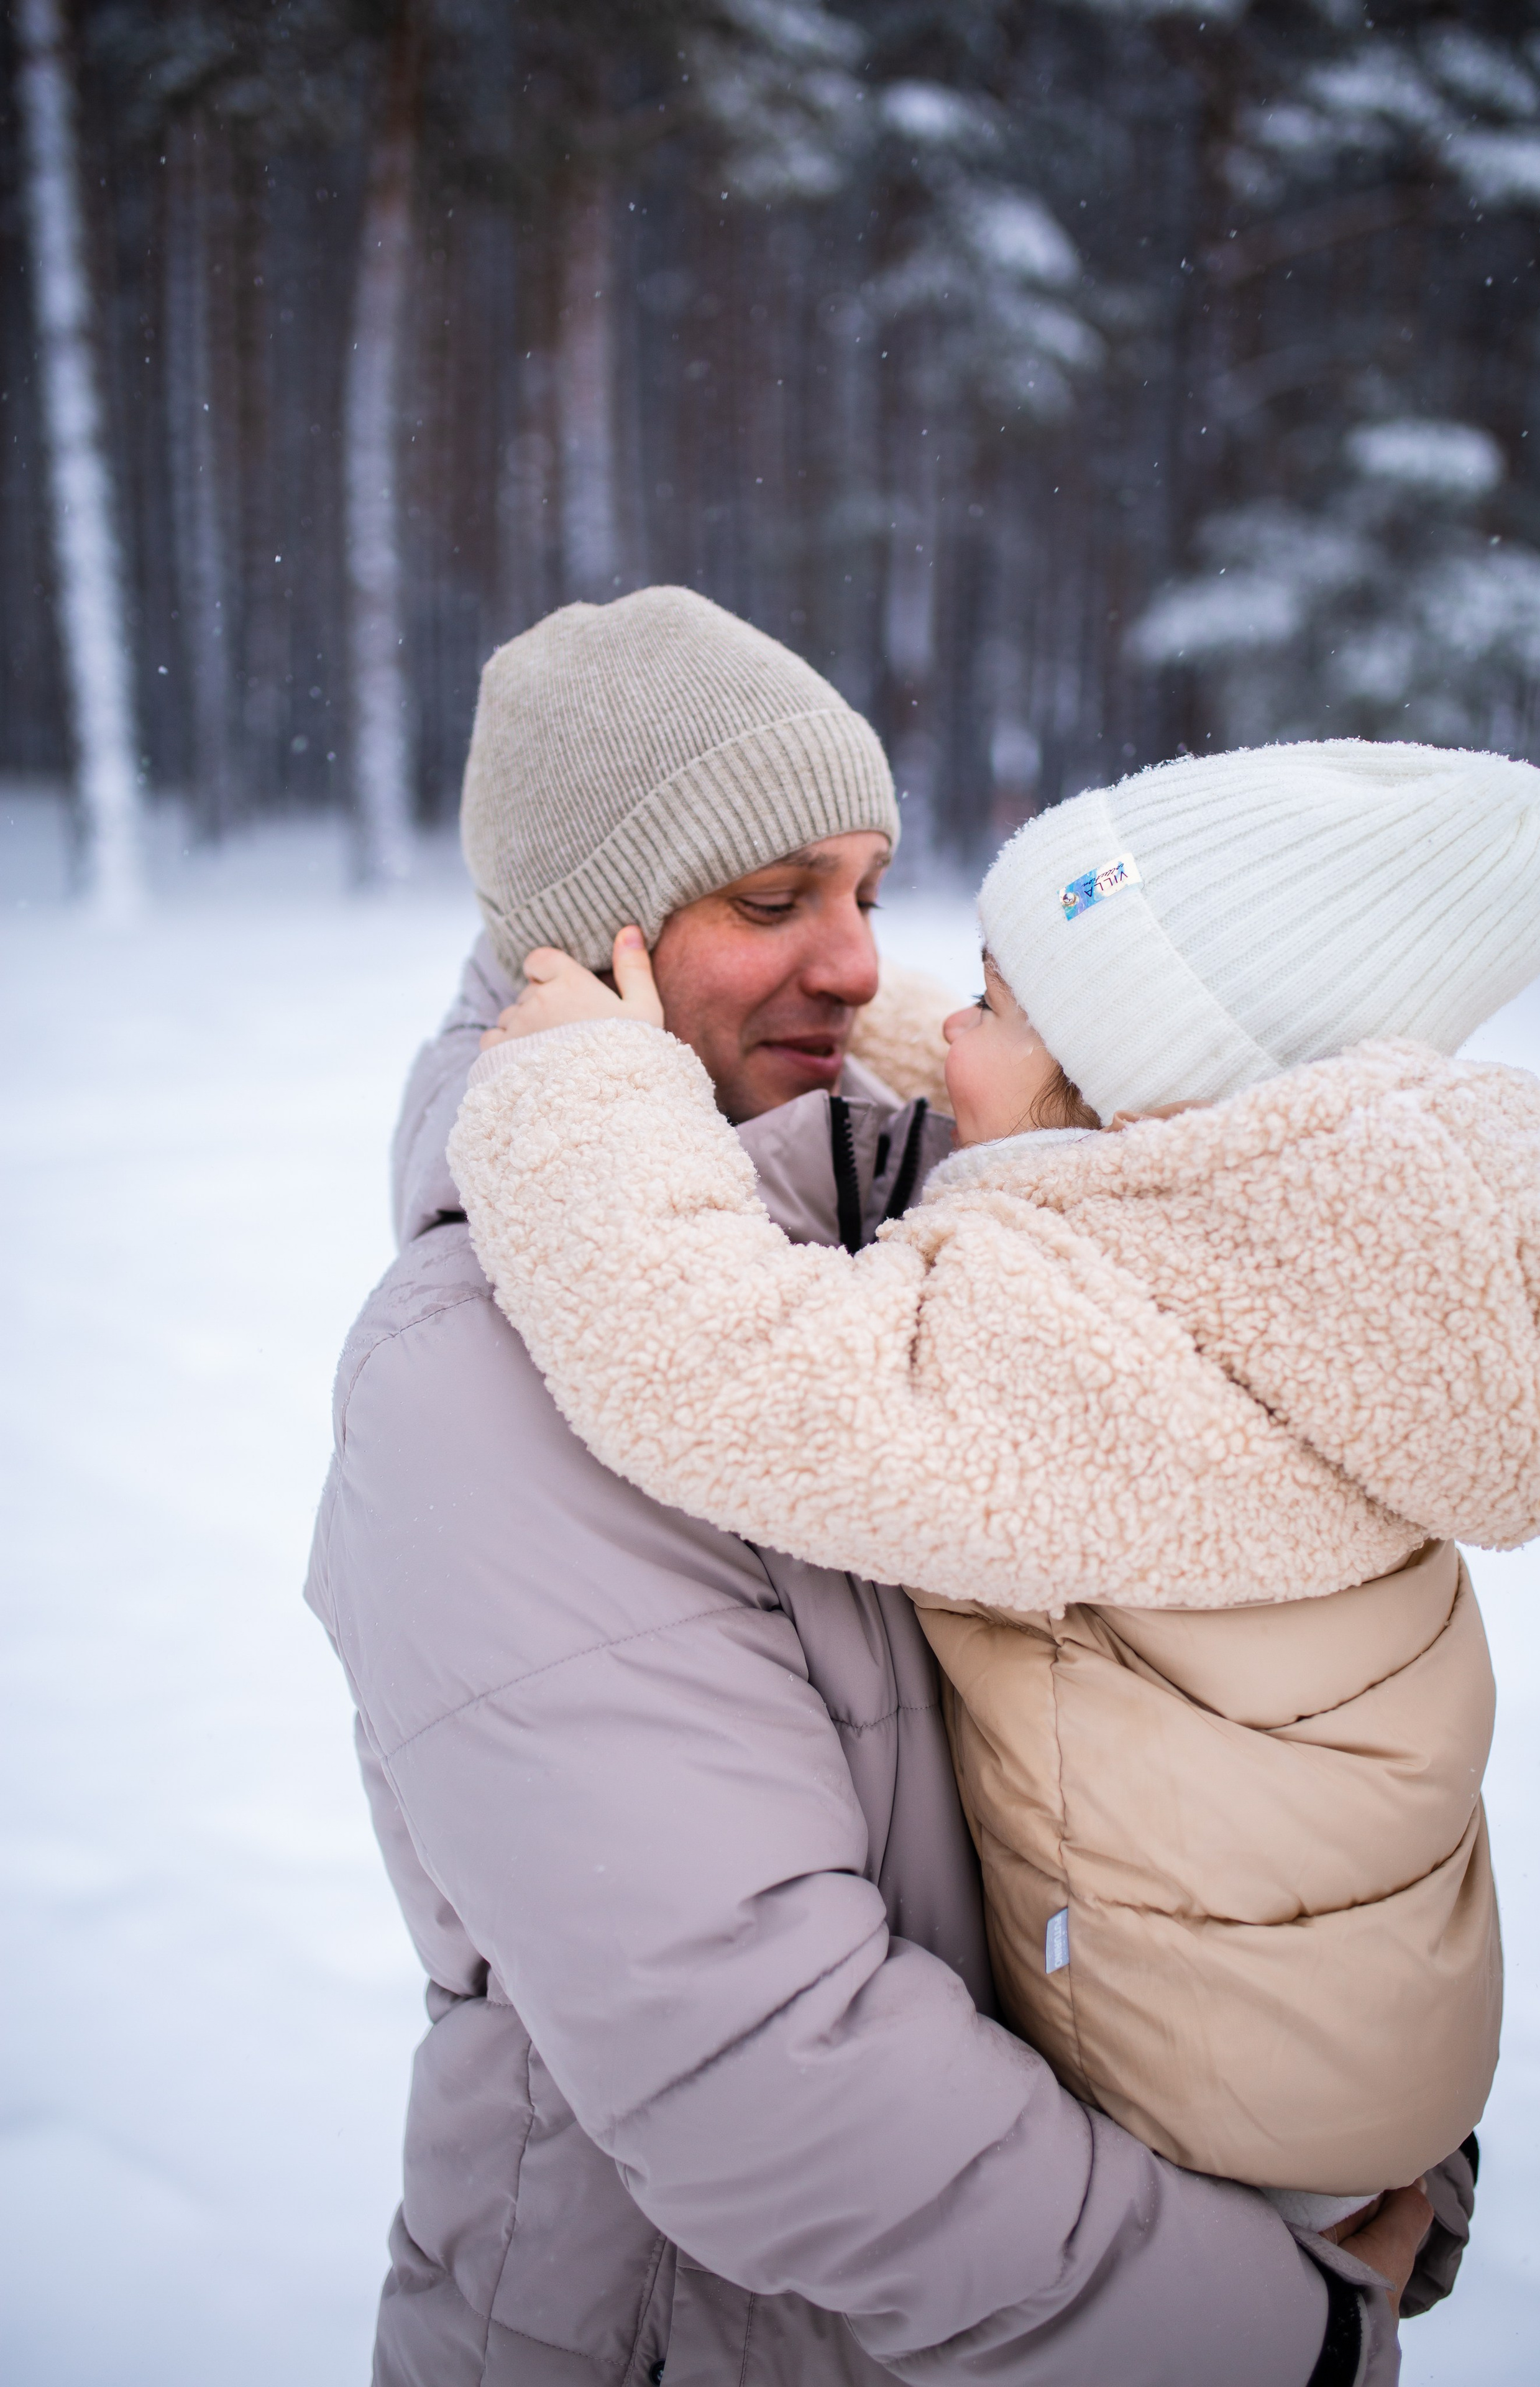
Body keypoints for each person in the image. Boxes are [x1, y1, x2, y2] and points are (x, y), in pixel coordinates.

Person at [310, 592, 1456, 2387]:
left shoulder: (973, 1217)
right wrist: (1264, 2332)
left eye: (863, 887)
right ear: (577, 941)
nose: (853, 963)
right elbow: (760, 2062)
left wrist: (1347, 2117)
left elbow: (1259, 1722)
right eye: (772, 902)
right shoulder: (479, 1367)